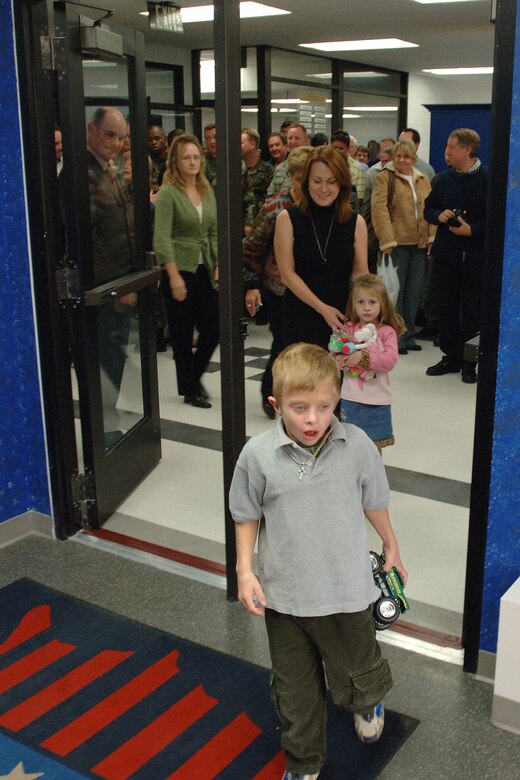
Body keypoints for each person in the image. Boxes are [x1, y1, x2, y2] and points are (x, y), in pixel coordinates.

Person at [230, 342, 407, 780]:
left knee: (357, 669)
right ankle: (303, 763)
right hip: (285, 598)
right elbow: (246, 513)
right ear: (275, 405)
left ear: (338, 401)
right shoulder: (256, 456)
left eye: (324, 407)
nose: (312, 418)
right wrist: (244, 569)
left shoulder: (358, 444)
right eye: (299, 407)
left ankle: (367, 701)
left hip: (347, 593)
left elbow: (375, 500)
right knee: (295, 692)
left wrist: (391, 545)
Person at [274, 145, 368, 350]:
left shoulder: (356, 222)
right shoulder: (288, 218)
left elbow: (361, 275)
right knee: (302, 379)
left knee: (336, 379)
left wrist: (367, 313)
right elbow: (287, 275)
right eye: (317, 181)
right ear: (306, 182)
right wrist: (322, 308)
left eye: (331, 182)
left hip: (342, 316)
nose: (323, 189)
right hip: (301, 312)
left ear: (341, 184)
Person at [243, 146, 313, 418]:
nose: (305, 186)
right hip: (280, 289)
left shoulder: (323, 207)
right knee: (283, 344)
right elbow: (252, 250)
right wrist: (252, 285)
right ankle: (271, 394)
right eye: (299, 179)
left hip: (313, 290)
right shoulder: (275, 207)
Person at [153, 134, 219, 408]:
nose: (193, 162)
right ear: (176, 162)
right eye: (186, 157)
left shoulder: (206, 189)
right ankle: (191, 390)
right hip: (179, 269)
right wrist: (173, 276)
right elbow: (162, 237)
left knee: (213, 328)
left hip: (204, 267)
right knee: (181, 333)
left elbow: (214, 230)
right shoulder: (168, 192)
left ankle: (191, 377)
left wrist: (218, 266)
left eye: (196, 156)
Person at [85, 107, 135, 447]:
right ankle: (102, 432)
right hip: (104, 290)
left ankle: (107, 421)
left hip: (120, 283)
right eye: (109, 135)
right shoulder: (81, 175)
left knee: (114, 357)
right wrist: (117, 289)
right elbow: (88, 241)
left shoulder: (109, 170)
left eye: (120, 137)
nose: (115, 144)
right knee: (105, 360)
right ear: (91, 130)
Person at [424, 128, 487, 383]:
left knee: (472, 311)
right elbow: (429, 208)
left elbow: (498, 218)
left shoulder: (488, 179)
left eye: (451, 147)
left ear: (467, 149)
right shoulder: (443, 179)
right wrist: (438, 215)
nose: (446, 151)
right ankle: (450, 356)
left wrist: (472, 230)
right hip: (446, 255)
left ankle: (470, 361)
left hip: (475, 258)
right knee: (446, 308)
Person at [371, 139, 435, 353]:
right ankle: (395, 336)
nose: (402, 160)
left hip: (419, 243)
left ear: (413, 158)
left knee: (414, 291)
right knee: (394, 293)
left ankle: (410, 335)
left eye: (406, 157)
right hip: (396, 244)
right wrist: (387, 239)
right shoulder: (384, 178)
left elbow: (430, 210)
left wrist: (431, 238)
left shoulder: (423, 178)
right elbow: (379, 210)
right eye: (398, 156)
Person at [335, 274, 405, 453]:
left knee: (374, 447)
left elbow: (389, 361)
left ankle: (373, 479)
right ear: (353, 304)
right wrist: (339, 359)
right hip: (350, 397)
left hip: (377, 399)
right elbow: (338, 350)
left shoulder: (386, 331)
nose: (366, 308)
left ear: (382, 304)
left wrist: (363, 357)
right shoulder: (349, 328)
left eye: (372, 302)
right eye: (361, 302)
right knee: (349, 446)